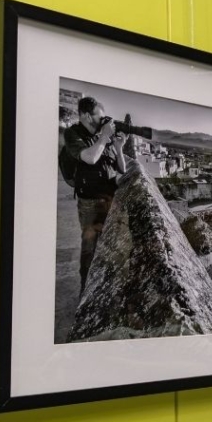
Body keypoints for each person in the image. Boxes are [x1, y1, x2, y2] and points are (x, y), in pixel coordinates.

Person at [63, 96, 128, 292]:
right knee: (89, 249)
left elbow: (122, 169)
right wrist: (104, 137)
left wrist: (118, 148)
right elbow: (90, 158)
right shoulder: (73, 134)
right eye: (99, 117)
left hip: (110, 200)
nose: (102, 122)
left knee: (112, 247)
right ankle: (86, 291)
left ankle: (107, 288)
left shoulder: (102, 137)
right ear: (85, 116)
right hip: (90, 204)